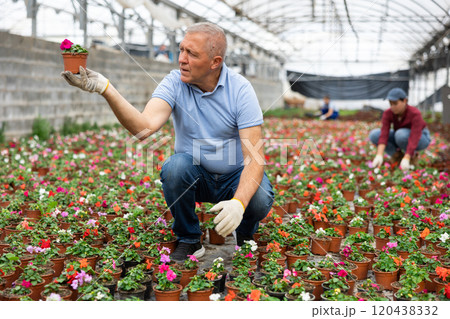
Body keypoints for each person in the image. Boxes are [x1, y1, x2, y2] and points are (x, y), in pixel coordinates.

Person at [61, 22, 274, 262]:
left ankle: (245, 233)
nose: (181, 59)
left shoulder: (240, 90)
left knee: (259, 198)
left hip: (234, 177)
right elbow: (143, 127)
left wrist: (238, 202)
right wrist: (106, 89)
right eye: (182, 50)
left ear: (215, 62)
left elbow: (255, 158)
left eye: (192, 53)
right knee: (174, 168)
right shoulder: (174, 82)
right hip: (196, 175)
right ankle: (189, 239)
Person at [369, 88, 431, 170]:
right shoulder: (388, 113)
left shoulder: (414, 113)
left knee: (400, 134)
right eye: (390, 104)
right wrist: (379, 154)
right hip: (401, 136)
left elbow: (415, 136)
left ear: (405, 101)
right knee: (374, 135)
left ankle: (411, 157)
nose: (392, 107)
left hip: (421, 137)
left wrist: (407, 157)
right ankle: (397, 156)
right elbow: (384, 134)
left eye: (395, 103)